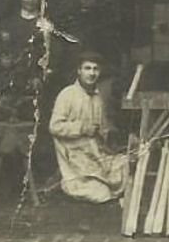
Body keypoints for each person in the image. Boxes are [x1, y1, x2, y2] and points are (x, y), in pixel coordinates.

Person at [48, 53, 130, 202]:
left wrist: (110, 134)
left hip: (95, 152)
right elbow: (54, 127)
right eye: (87, 68)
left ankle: (104, 182)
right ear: (79, 71)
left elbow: (103, 128)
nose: (92, 73)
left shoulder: (98, 97)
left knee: (124, 165)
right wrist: (83, 128)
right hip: (74, 155)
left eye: (95, 69)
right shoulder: (67, 94)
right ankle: (67, 184)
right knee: (101, 193)